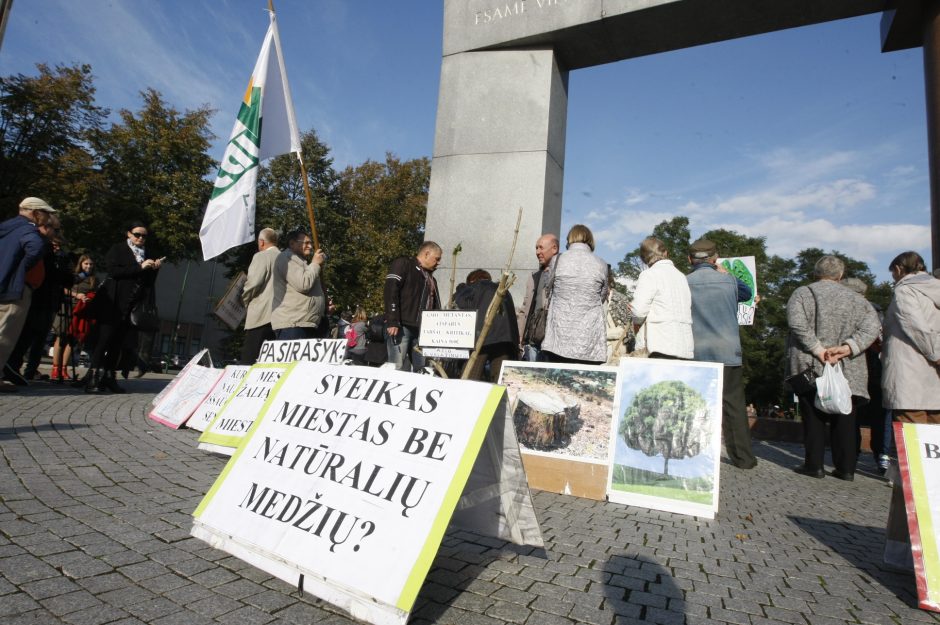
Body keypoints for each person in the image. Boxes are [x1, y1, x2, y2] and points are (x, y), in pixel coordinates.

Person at [787, 255, 880, 481]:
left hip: (810, 364)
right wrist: (849, 348)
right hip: (849, 367)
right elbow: (873, 327)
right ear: (840, 275)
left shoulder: (802, 293)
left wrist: (819, 350)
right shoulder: (858, 300)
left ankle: (814, 465)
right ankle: (846, 468)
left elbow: (797, 324)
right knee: (846, 418)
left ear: (815, 273)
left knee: (813, 416)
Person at [686, 238, 757, 469]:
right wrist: (726, 272)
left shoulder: (684, 282)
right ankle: (743, 458)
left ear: (690, 260)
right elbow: (748, 293)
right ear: (715, 259)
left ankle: (692, 453)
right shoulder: (729, 281)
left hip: (695, 353)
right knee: (734, 407)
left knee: (695, 404)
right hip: (727, 351)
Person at [84, 222, 162, 393]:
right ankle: (93, 376)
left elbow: (148, 282)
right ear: (128, 234)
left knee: (118, 343)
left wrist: (154, 269)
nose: (140, 238)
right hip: (114, 301)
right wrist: (140, 267)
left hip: (132, 304)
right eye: (137, 234)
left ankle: (110, 377)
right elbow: (113, 271)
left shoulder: (147, 253)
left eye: (144, 236)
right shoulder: (118, 249)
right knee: (104, 339)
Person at [881, 251, 940, 424]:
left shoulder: (905, 291)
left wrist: (936, 355)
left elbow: (916, 327)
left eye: (893, 273)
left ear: (899, 269)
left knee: (914, 437)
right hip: (934, 379)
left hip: (910, 374)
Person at [0, 198, 53, 392]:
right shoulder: (28, 230)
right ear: (35, 212)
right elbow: (35, 248)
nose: (47, 217)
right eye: (45, 213)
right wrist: (21, 269)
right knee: (5, 335)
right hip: (15, 288)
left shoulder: (6, 226)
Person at [541, 225, 608, 364]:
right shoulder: (601, 263)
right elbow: (601, 296)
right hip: (589, 337)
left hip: (559, 336)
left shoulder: (557, 260)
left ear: (570, 239)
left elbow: (548, 288)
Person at [629, 237, 693, 359]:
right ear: (666, 253)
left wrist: (633, 311)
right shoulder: (681, 276)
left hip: (659, 344)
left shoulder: (649, 275)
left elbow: (639, 312)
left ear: (643, 259)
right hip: (684, 343)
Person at [383, 241, 442, 371]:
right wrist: (392, 320)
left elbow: (436, 306)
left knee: (423, 368)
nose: (438, 263)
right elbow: (391, 289)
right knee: (395, 366)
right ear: (427, 253)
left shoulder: (431, 279)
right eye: (437, 259)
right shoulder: (403, 264)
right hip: (401, 327)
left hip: (423, 331)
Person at [456, 269, 519, 381]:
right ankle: (498, 398)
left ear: (472, 280)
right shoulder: (503, 289)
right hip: (505, 340)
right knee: (500, 379)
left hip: (481, 338)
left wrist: (460, 288)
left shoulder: (475, 286)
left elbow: (462, 304)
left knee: (470, 376)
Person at [270, 229, 326, 340]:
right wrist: (315, 264)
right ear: (292, 243)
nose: (310, 246)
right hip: (293, 325)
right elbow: (303, 284)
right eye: (306, 243)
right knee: (293, 358)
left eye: (310, 243)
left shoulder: (301, 262)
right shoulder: (286, 258)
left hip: (303, 323)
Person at [51, 255, 97, 380]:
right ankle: (56, 368)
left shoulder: (93, 279)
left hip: (82, 311)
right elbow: (64, 288)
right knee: (61, 337)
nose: (88, 266)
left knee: (72, 340)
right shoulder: (74, 276)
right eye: (86, 263)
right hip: (68, 306)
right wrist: (77, 295)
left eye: (91, 264)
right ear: (80, 264)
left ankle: (64, 368)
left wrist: (90, 297)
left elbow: (96, 293)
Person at [517, 233, 559, 361]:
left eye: (541, 248)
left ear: (554, 249)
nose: (537, 252)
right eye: (536, 248)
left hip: (555, 341)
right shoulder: (534, 276)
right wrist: (520, 336)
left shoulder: (562, 274)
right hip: (534, 340)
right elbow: (525, 308)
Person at [240, 228, 280, 363]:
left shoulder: (261, 256)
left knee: (249, 359)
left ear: (261, 242)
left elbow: (253, 282)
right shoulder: (285, 258)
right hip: (280, 317)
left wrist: (244, 299)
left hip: (260, 315)